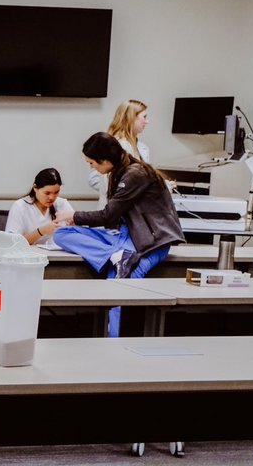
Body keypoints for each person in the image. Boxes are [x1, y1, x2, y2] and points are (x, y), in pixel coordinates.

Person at [55, 132, 184, 337]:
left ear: (104, 160)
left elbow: (107, 215)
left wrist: (74, 215)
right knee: (61, 234)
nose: (92, 168)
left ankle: (114, 340)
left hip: (150, 241)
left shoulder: (135, 174)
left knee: (122, 280)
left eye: (92, 163)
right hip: (124, 237)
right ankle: (115, 255)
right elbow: (113, 218)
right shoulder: (121, 172)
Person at [90, 99, 151, 205]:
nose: (147, 121)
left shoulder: (142, 148)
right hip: (117, 210)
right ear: (131, 118)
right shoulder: (114, 146)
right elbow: (96, 178)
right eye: (144, 117)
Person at [5, 168, 73, 249]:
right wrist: (41, 231)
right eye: (47, 193)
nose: (52, 197)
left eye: (56, 192)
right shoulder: (20, 206)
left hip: (60, 258)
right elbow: (12, 243)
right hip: (29, 258)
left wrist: (73, 227)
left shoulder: (62, 204)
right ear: (35, 187)